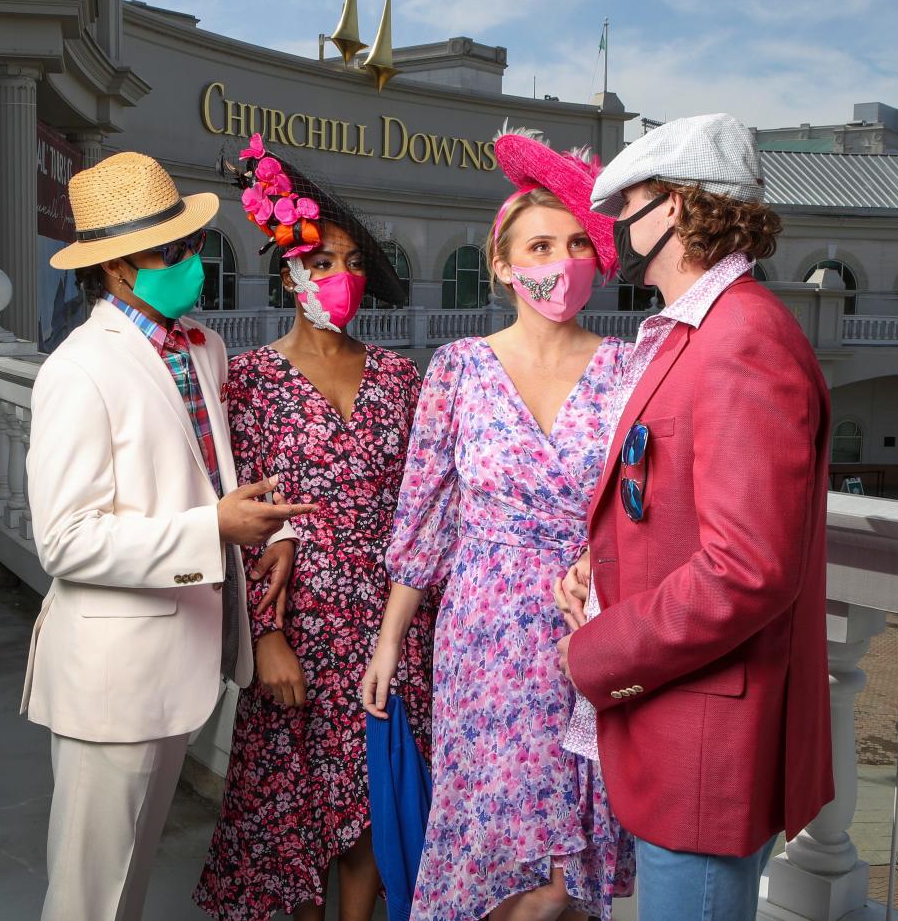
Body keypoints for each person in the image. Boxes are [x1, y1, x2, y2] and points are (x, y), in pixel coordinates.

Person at [555, 113, 833, 921]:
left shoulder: (742, 337)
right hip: (681, 729)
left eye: (630, 203)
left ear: (672, 208)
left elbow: (748, 570)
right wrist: (601, 573)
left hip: (705, 748)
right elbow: (674, 507)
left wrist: (596, 649)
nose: (614, 228)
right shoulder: (702, 331)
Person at [24, 152, 313, 921]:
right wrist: (209, 529)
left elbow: (202, 471)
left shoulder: (203, 348)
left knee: (131, 876)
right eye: (172, 251)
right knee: (90, 896)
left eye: (191, 247)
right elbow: (66, 540)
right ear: (119, 268)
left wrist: (259, 532)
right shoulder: (79, 369)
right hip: (112, 676)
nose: (192, 263)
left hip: (183, 663)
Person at [363, 128, 635, 921]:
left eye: (580, 241)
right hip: (484, 641)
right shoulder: (458, 369)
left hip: (587, 629)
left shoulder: (629, 369)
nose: (562, 259)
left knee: (570, 874)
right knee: (506, 867)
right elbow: (423, 517)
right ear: (504, 264)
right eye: (541, 243)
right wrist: (388, 643)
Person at [194, 138, 439, 921]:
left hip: (388, 627)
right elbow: (244, 521)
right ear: (288, 271)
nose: (341, 278)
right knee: (294, 816)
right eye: (322, 261)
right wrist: (266, 635)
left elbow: (423, 510)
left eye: (353, 262)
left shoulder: (402, 377)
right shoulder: (252, 378)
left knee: (376, 797)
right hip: (301, 625)